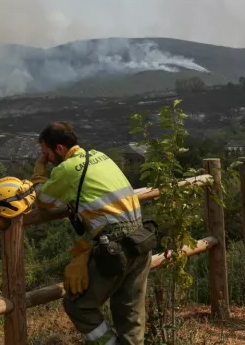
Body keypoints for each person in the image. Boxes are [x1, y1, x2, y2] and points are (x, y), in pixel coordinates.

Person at [30, 121, 155, 345]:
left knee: (78, 305)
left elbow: (43, 200)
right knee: (130, 314)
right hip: (141, 237)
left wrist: (39, 174)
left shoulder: (67, 169)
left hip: (115, 245)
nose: (46, 158)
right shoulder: (101, 156)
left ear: (59, 148)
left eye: (45, 152)